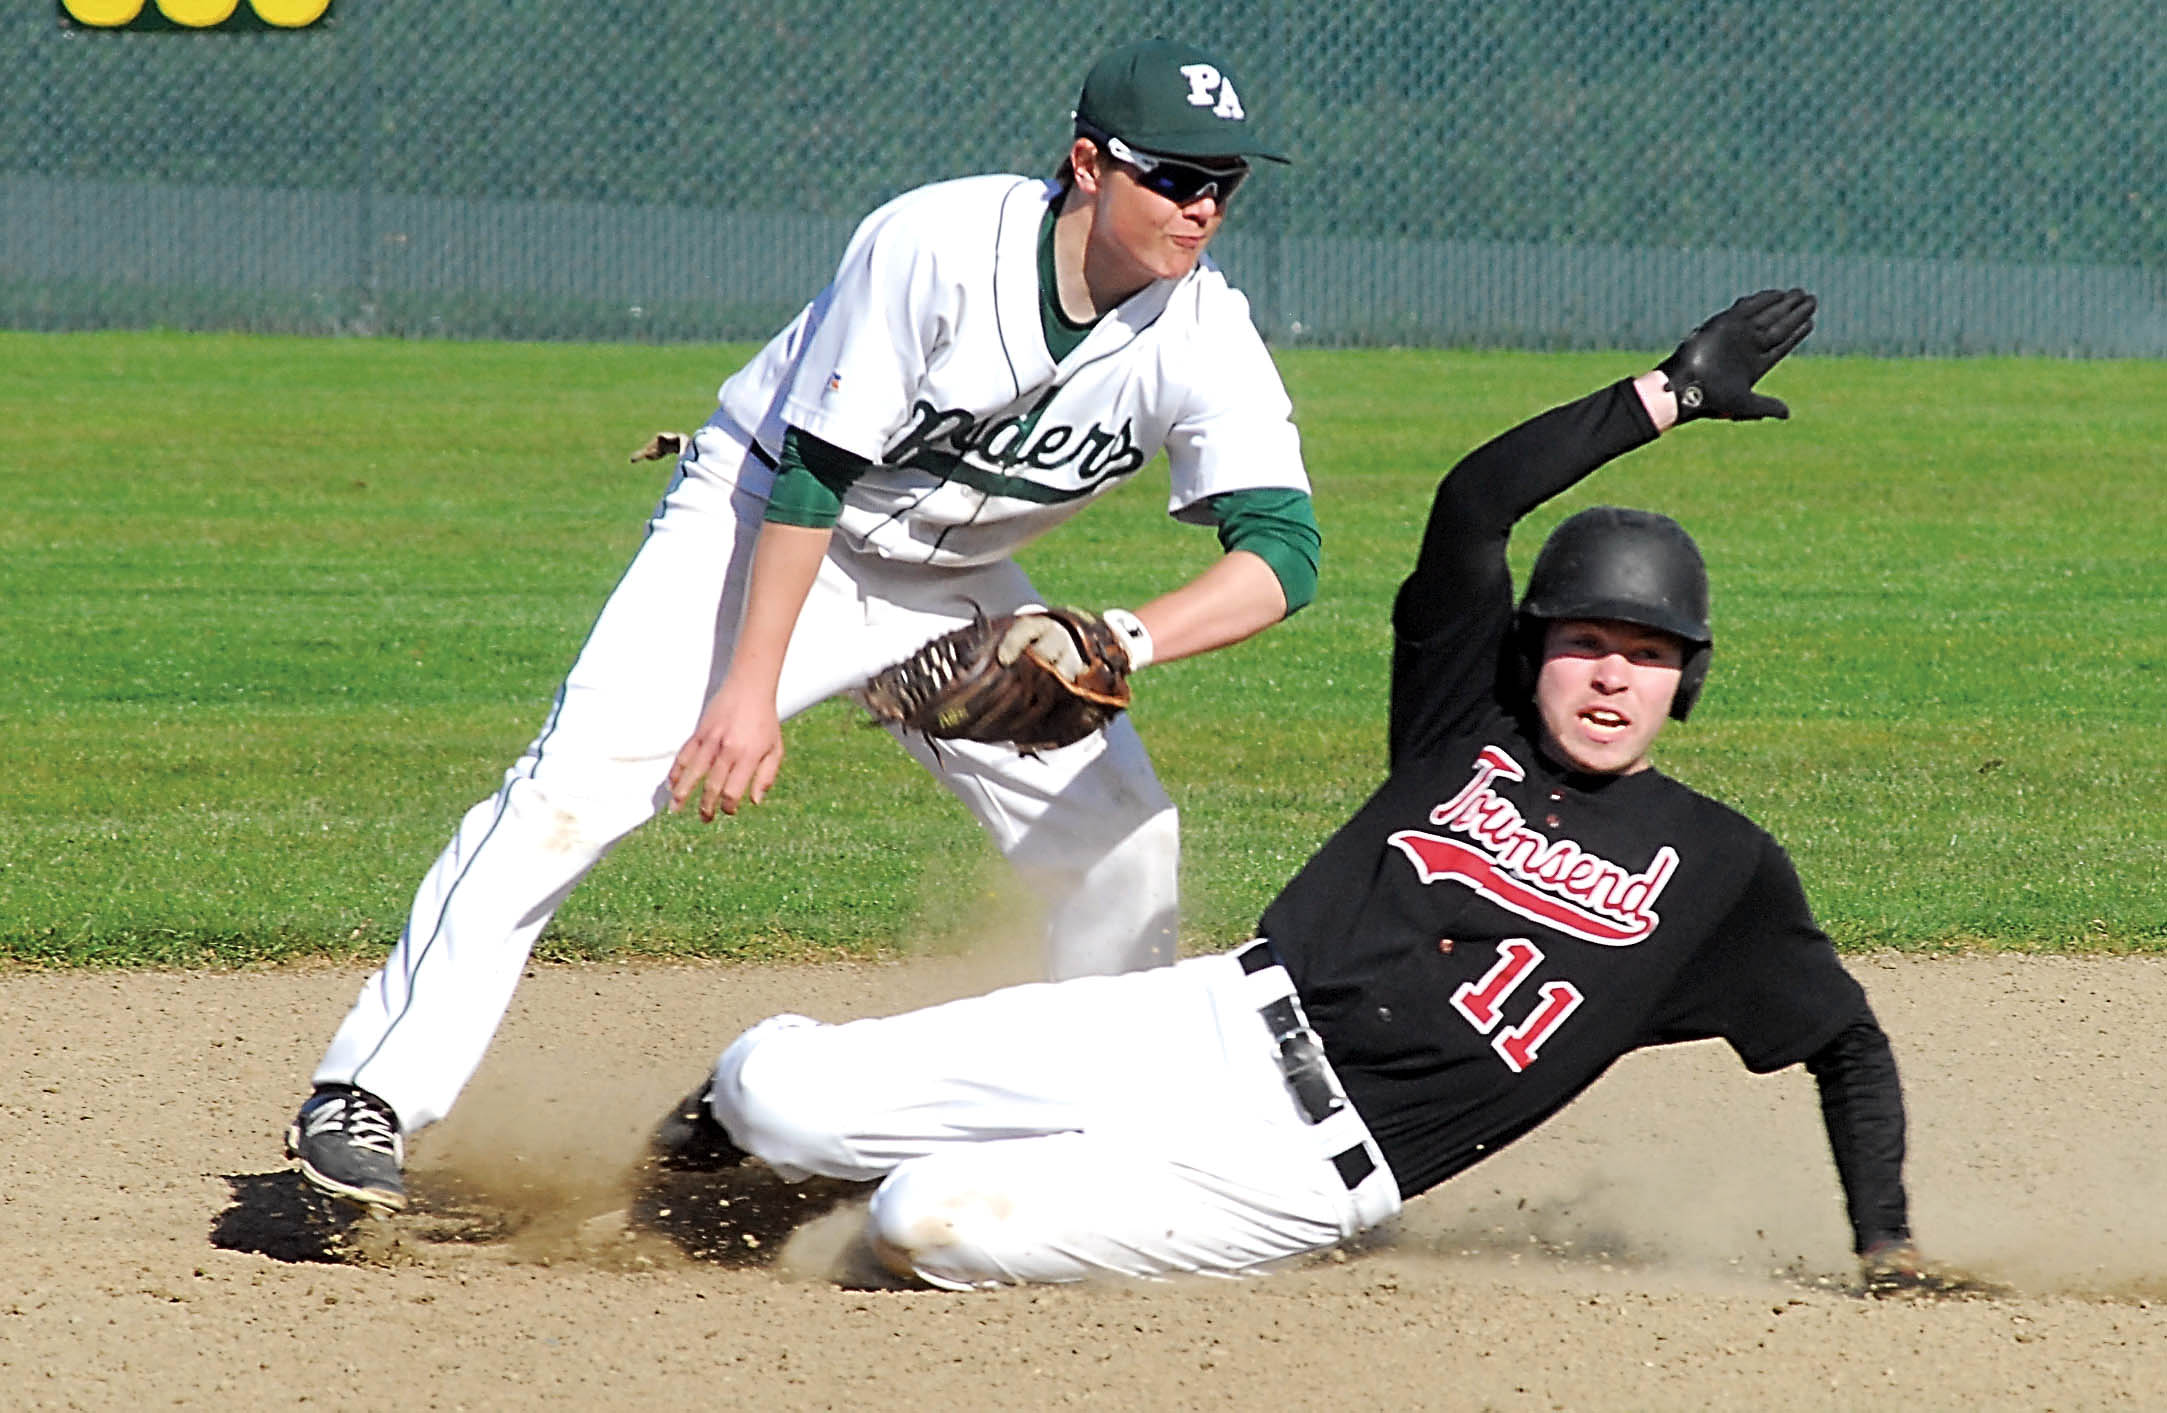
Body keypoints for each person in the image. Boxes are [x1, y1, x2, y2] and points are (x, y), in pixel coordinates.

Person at [647, 290, 1947, 1293]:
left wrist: (1882, 1247)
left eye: (1647, 656)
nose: (1611, 679)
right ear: (1529, 652)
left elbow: (1845, 1041)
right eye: (1585, 644)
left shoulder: (1717, 873)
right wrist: (1660, 395)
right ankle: (683, 1176)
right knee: (772, 1092)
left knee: (919, 1221)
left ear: (1686, 683)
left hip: (1296, 1175)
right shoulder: (1459, 732)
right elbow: (1471, 509)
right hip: (1200, 1021)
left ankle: (910, 1181)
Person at [288, 38, 1321, 1213]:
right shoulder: (937, 246)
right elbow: (809, 475)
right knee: (567, 793)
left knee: (1124, 843)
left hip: (960, 576)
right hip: (758, 526)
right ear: (1087, 164)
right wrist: (746, 689)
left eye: (1223, 184)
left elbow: (1283, 556)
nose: (1201, 208)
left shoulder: (1204, 332)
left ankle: (1074, 1124)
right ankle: (365, 1094)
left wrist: (1114, 641)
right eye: (1173, 177)